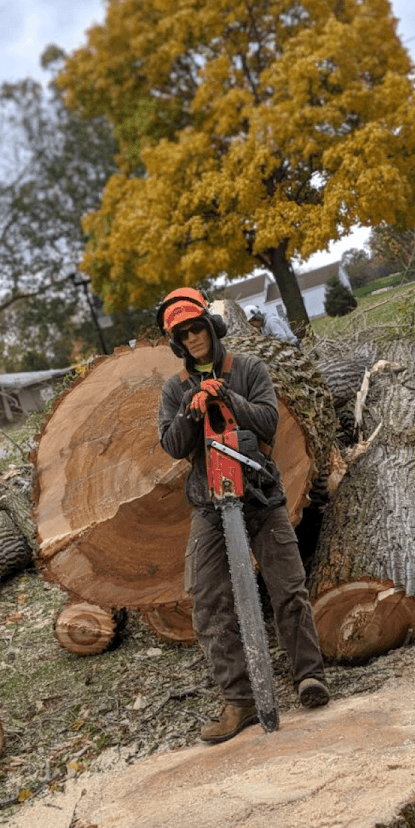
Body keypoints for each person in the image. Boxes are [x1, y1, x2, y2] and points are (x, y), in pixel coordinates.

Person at [157, 286, 330, 745]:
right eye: (183, 334)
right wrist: (194, 411)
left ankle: (308, 676)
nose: (192, 338)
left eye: (196, 328)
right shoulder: (175, 389)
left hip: (261, 494)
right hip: (210, 503)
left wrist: (227, 398)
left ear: (211, 328)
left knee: (287, 587)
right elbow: (172, 446)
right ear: (176, 342)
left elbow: (270, 421)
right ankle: (240, 701)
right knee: (209, 600)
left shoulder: (249, 368)